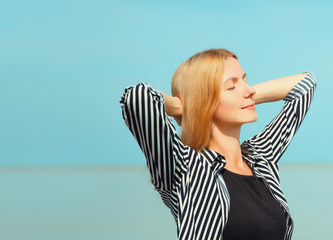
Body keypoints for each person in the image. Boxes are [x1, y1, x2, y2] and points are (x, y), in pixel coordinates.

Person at [119, 48, 316, 240]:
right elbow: (137, 98)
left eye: (245, 80)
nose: (250, 89)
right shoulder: (184, 167)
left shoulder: (261, 157)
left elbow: (305, 84)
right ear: (204, 100)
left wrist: (247, 96)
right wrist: (184, 105)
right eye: (231, 86)